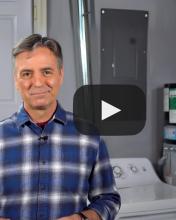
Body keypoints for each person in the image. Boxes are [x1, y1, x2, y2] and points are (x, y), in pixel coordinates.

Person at [0, 34, 120, 220]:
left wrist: (81, 219)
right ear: (16, 80)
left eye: (46, 72)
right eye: (26, 73)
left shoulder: (89, 136)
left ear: (60, 75)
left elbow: (108, 199)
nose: (38, 82)